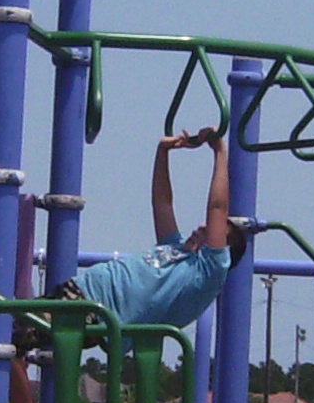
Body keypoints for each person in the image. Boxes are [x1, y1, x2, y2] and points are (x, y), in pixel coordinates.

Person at [55, 125, 244, 334]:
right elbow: (162, 203)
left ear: (223, 253)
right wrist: (163, 152)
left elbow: (217, 207)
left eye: (216, 229)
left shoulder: (209, 269)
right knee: (24, 331)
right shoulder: (176, 248)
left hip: (94, 311)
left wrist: (220, 151)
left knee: (26, 333)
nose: (203, 226)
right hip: (80, 289)